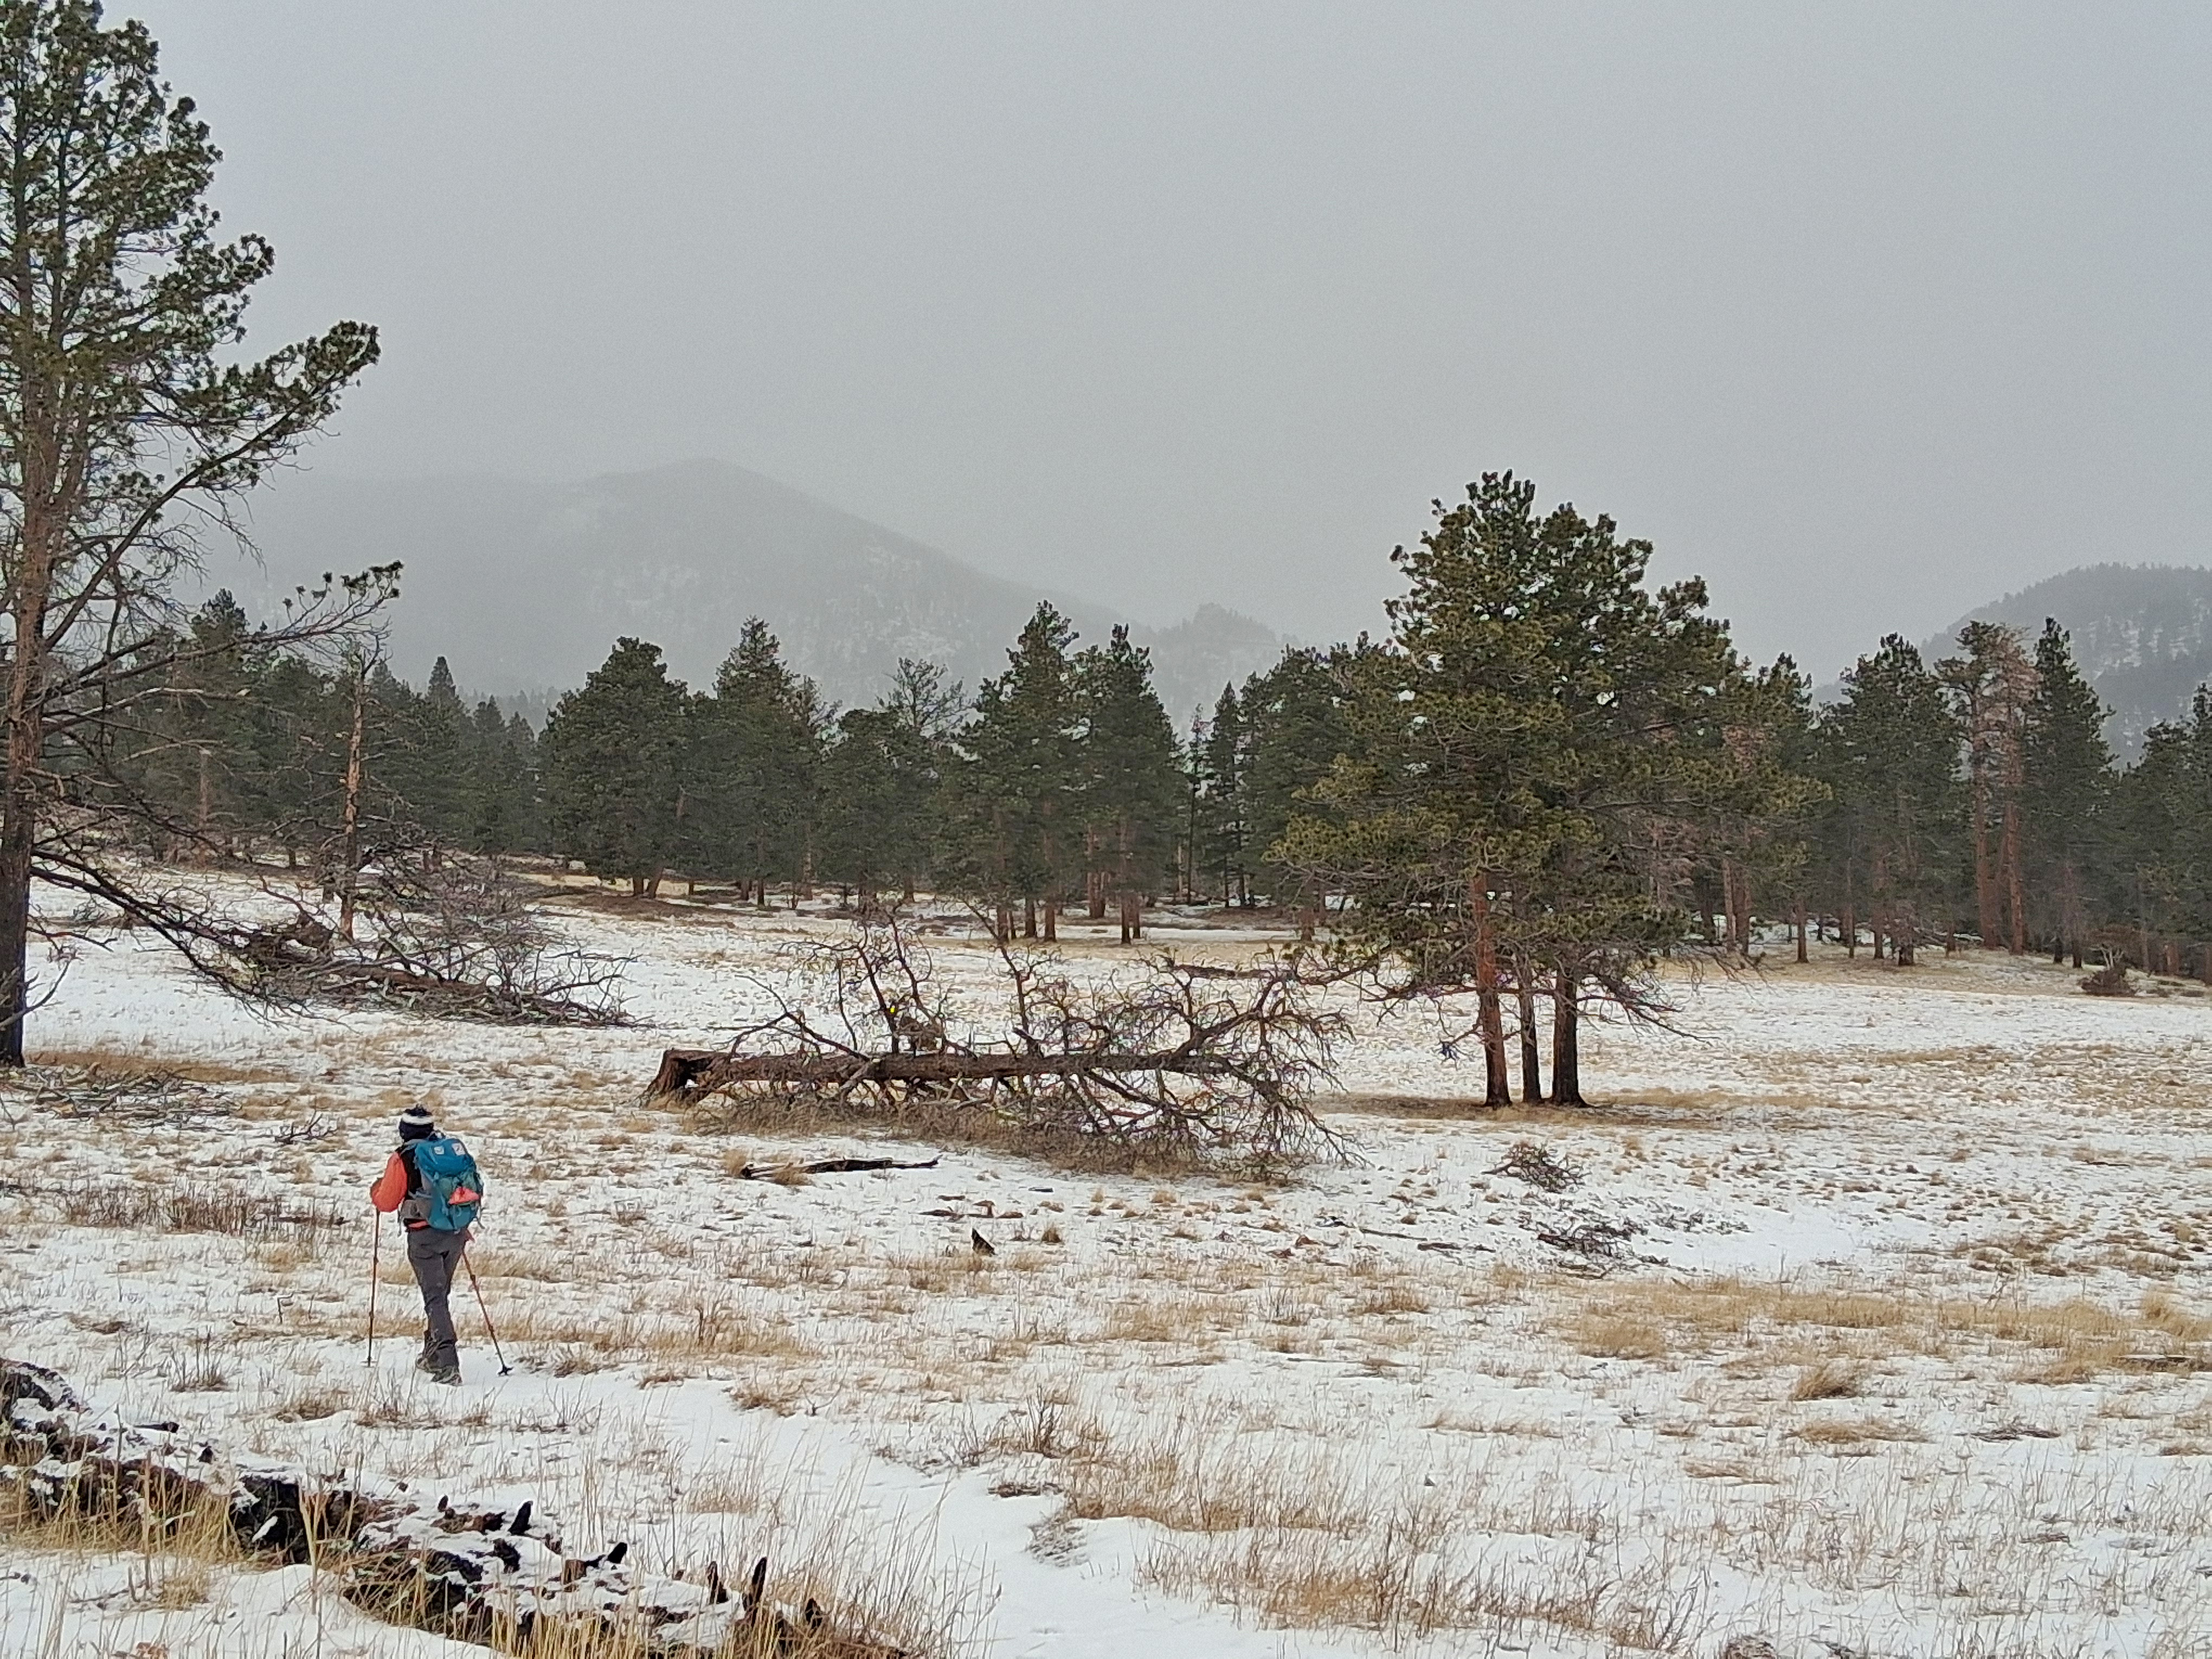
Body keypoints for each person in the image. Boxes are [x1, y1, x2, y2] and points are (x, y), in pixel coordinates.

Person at [369, 1106, 482, 1385]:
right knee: (440, 1294)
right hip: (455, 1232)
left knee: (435, 1298)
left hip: (423, 1236)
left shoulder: (404, 1157)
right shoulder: (448, 1155)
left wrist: (375, 1190)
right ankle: (432, 1355)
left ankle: (447, 1363)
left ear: (404, 1131)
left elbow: (386, 1202)